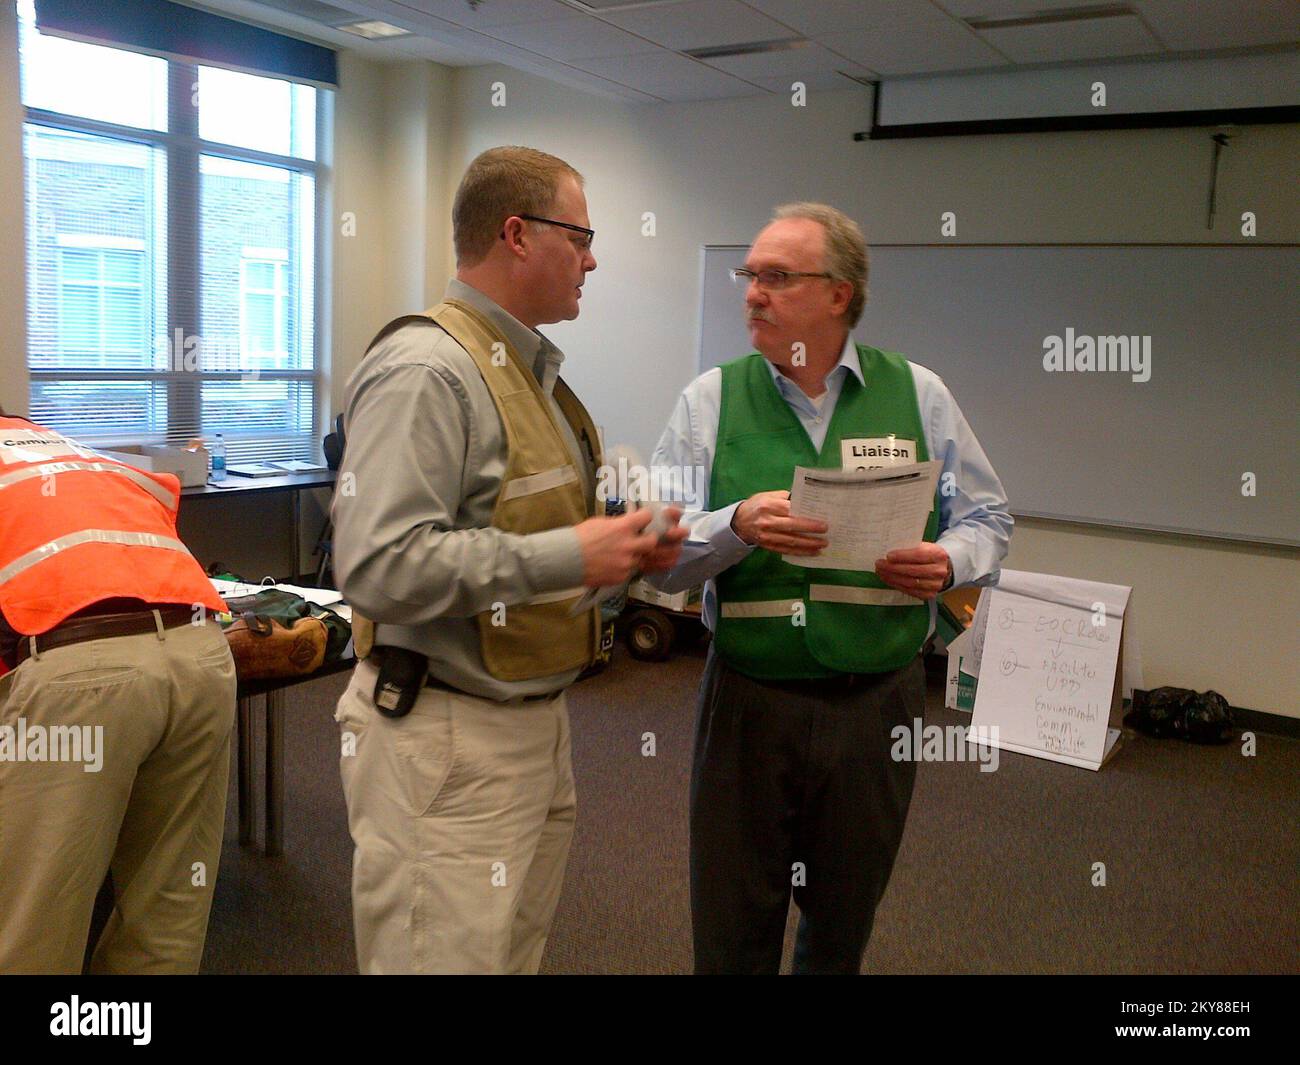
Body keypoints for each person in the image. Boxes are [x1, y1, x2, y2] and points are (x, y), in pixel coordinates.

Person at [331, 146, 685, 975]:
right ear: (518, 234)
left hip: (531, 726)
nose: (593, 258)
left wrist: (621, 549)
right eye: (581, 235)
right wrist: (572, 553)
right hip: (446, 739)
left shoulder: (527, 374)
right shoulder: (428, 370)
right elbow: (378, 565)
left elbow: (526, 527)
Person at [649, 203, 1013, 974]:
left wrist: (948, 561)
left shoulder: (921, 394)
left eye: (776, 277)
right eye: (749, 275)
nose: (752, 291)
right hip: (747, 701)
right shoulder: (707, 402)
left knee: (842, 921)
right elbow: (659, 558)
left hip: (876, 704)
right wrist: (737, 523)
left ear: (839, 294)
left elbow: (989, 517)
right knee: (730, 921)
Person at [0, 410, 236, 974]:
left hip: (82, 679)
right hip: (203, 656)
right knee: (167, 907)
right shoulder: (76, 454)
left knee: (36, 921)